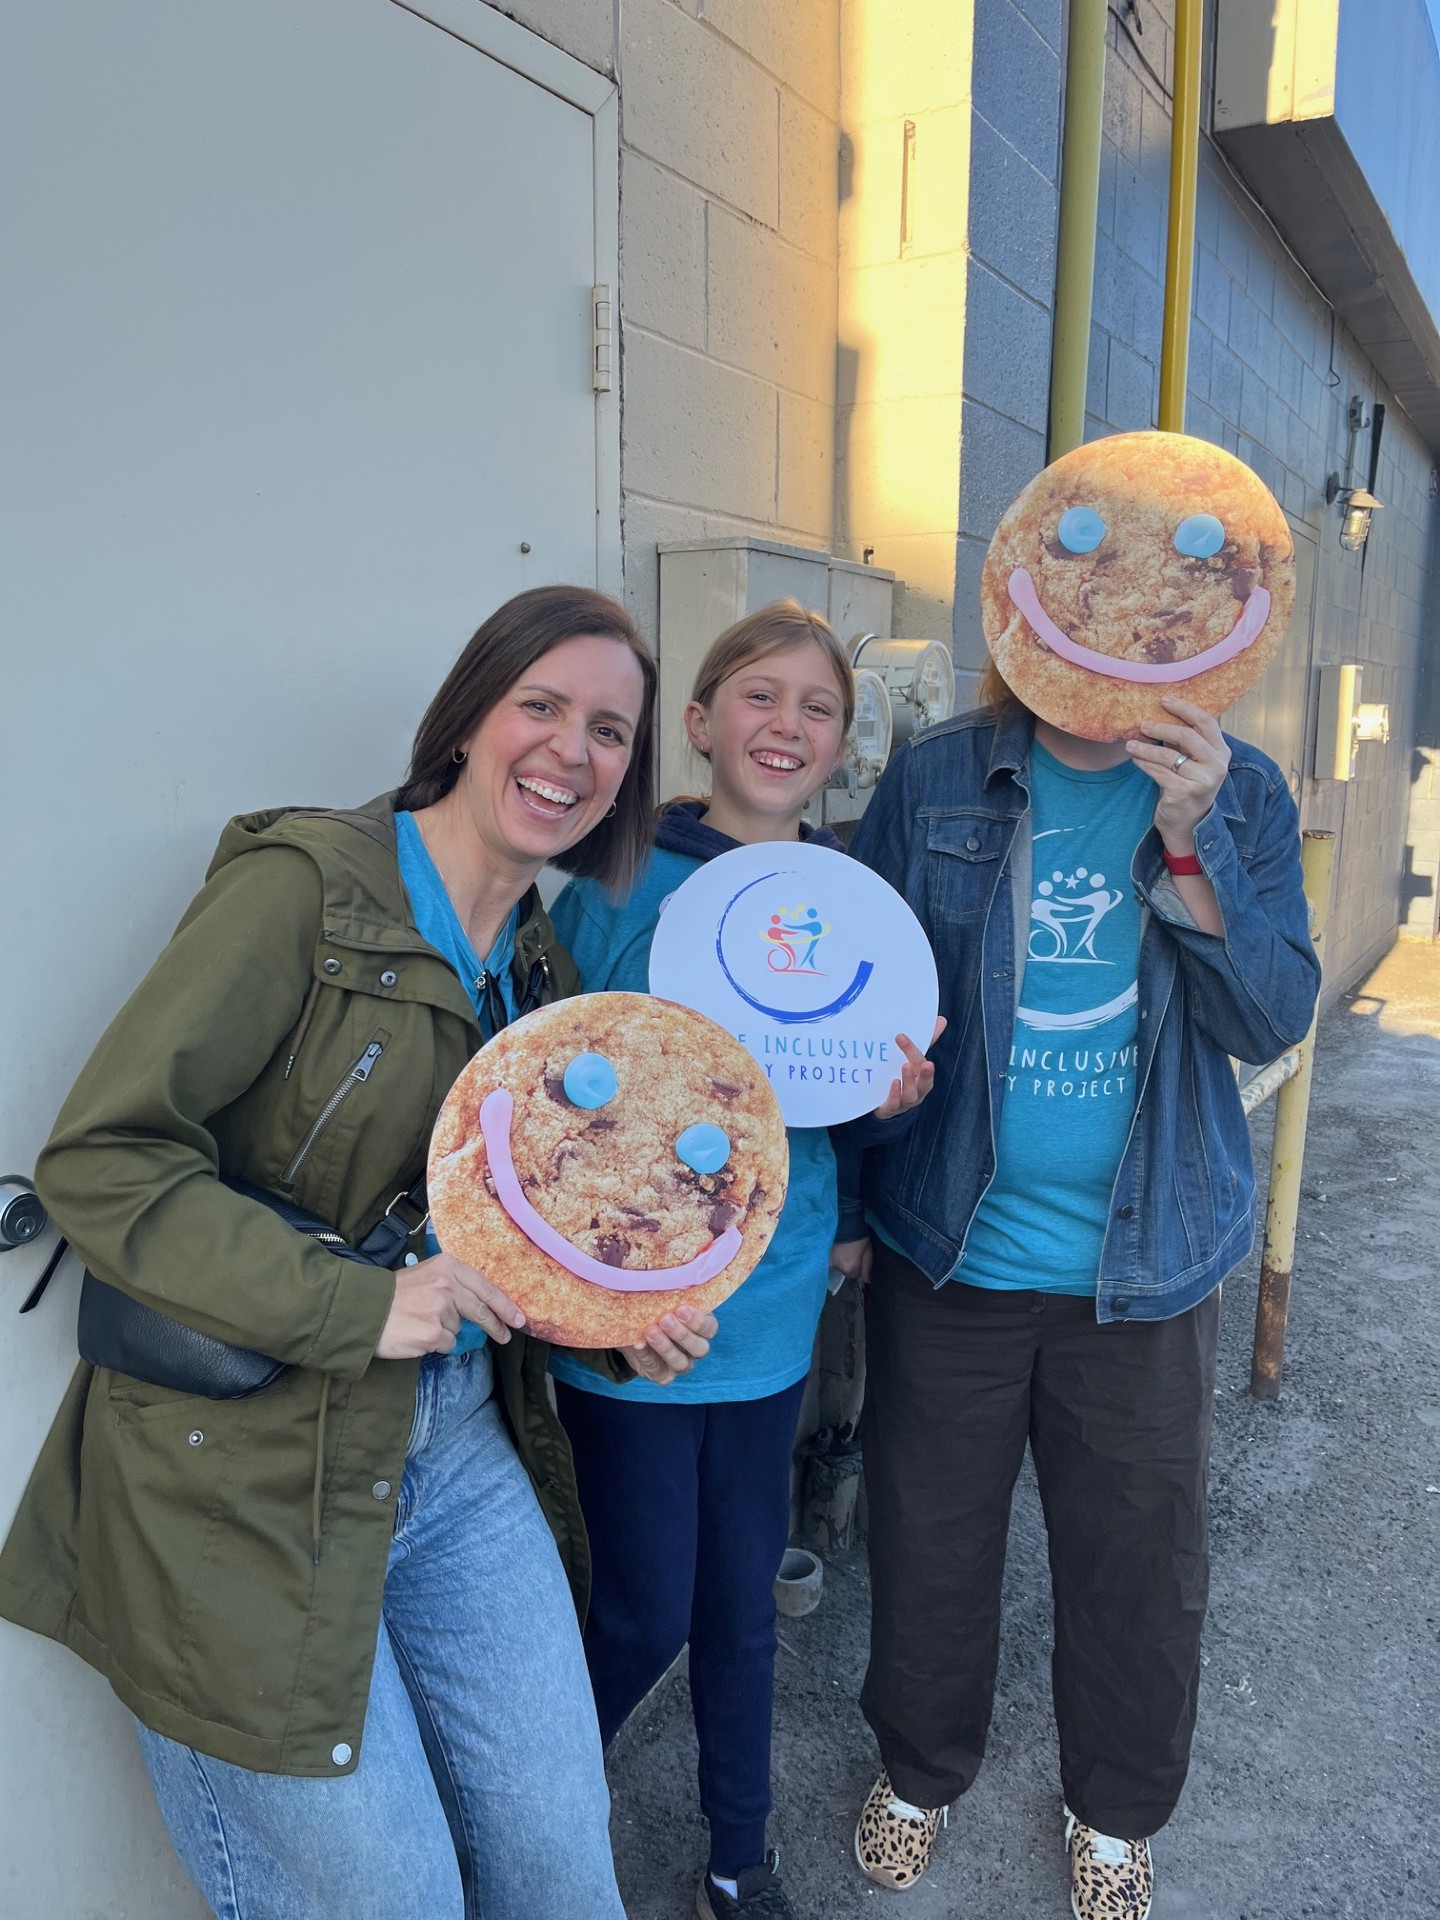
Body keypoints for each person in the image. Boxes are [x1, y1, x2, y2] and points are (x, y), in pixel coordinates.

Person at [0, 586, 721, 1920]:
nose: (573, 751)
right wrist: (363, 1302)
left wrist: (617, 1316)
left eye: (610, 731)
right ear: (467, 720)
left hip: (447, 1449)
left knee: (566, 1863)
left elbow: (518, 1234)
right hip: (240, 1473)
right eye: (543, 707)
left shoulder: (546, 969)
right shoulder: (303, 892)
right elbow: (103, 1162)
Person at [835, 664, 1319, 1920]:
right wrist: (847, 1198)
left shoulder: (1237, 784)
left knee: (1139, 1564)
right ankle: (921, 1768)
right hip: (953, 1248)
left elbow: (1269, 1017)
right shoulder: (941, 772)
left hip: (1144, 1264)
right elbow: (857, 1001)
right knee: (929, 1540)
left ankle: (1115, 1811)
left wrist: (1189, 836)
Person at [549, 601, 939, 1920]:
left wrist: (883, 1121)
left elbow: (830, 1088)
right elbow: (548, 1093)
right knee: (644, 1607)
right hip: (635, 1313)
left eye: (817, 708)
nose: (787, 725)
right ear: (703, 722)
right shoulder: (616, 885)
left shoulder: (847, 905)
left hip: (770, 1311)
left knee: (744, 1604)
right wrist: (589, 1286)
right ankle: (524, 1808)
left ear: (844, 743)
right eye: (759, 697)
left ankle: (736, 1855)